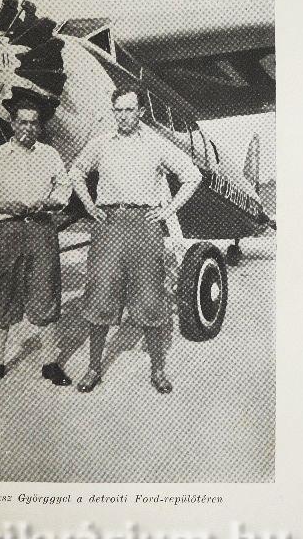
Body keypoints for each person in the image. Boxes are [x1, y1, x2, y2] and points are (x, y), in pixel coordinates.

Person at [63, 86, 202, 393]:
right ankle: (93, 368)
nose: (124, 116)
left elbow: (193, 176)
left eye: (129, 110)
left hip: (144, 226)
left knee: (151, 298)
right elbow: (76, 172)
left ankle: (158, 371)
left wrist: (167, 210)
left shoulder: (156, 144)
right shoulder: (100, 144)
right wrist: (89, 206)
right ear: (113, 112)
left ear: (140, 112)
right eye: (119, 110)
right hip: (109, 225)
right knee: (100, 294)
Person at [0, 98, 72, 386]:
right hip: (6, 231)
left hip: (41, 230)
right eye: (23, 122)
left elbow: (64, 190)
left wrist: (49, 202)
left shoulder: (50, 155)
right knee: (1, 292)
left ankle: (50, 363)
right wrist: (4, 204)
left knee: (46, 291)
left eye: (33, 123)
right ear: (12, 123)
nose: (28, 128)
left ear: (39, 127)